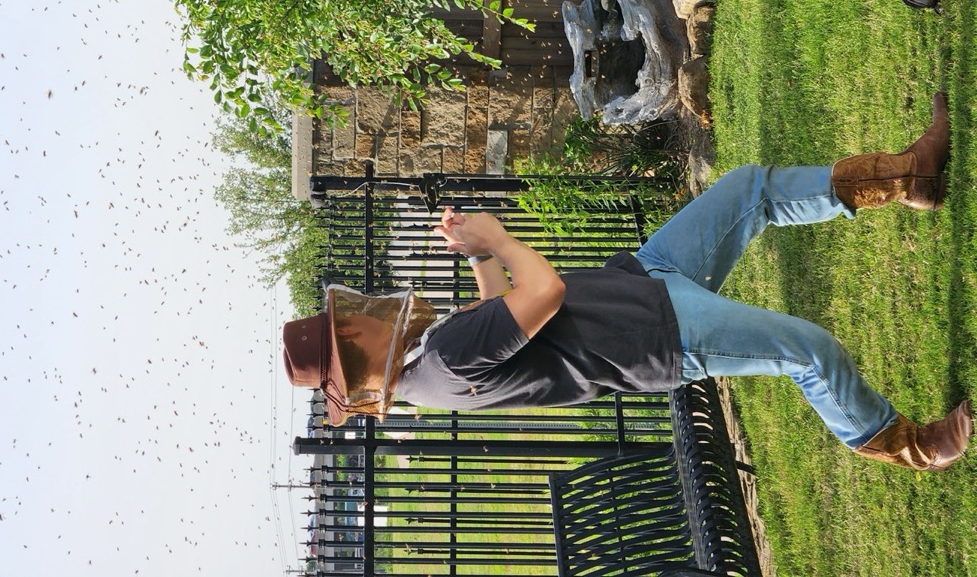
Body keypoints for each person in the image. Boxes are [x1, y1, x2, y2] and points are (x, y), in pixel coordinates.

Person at [283, 92, 973, 471]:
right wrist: (498, 237)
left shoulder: (426, 363)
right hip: (655, 334)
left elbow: (501, 321)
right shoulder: (435, 363)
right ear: (353, 337)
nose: (371, 303)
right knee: (809, 351)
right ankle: (911, 444)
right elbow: (543, 295)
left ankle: (908, 176)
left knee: (747, 191)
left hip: (645, 280)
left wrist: (475, 254)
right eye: (354, 315)